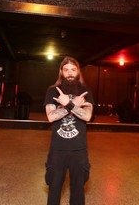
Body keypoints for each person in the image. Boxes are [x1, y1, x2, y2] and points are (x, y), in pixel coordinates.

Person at [44, 56, 94, 205]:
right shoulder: (53, 91)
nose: (70, 73)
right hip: (57, 149)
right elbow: (51, 117)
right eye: (66, 70)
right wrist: (70, 105)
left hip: (79, 150)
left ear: (78, 72)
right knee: (54, 188)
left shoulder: (85, 91)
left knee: (78, 190)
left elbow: (87, 116)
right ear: (61, 72)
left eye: (73, 70)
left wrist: (69, 105)